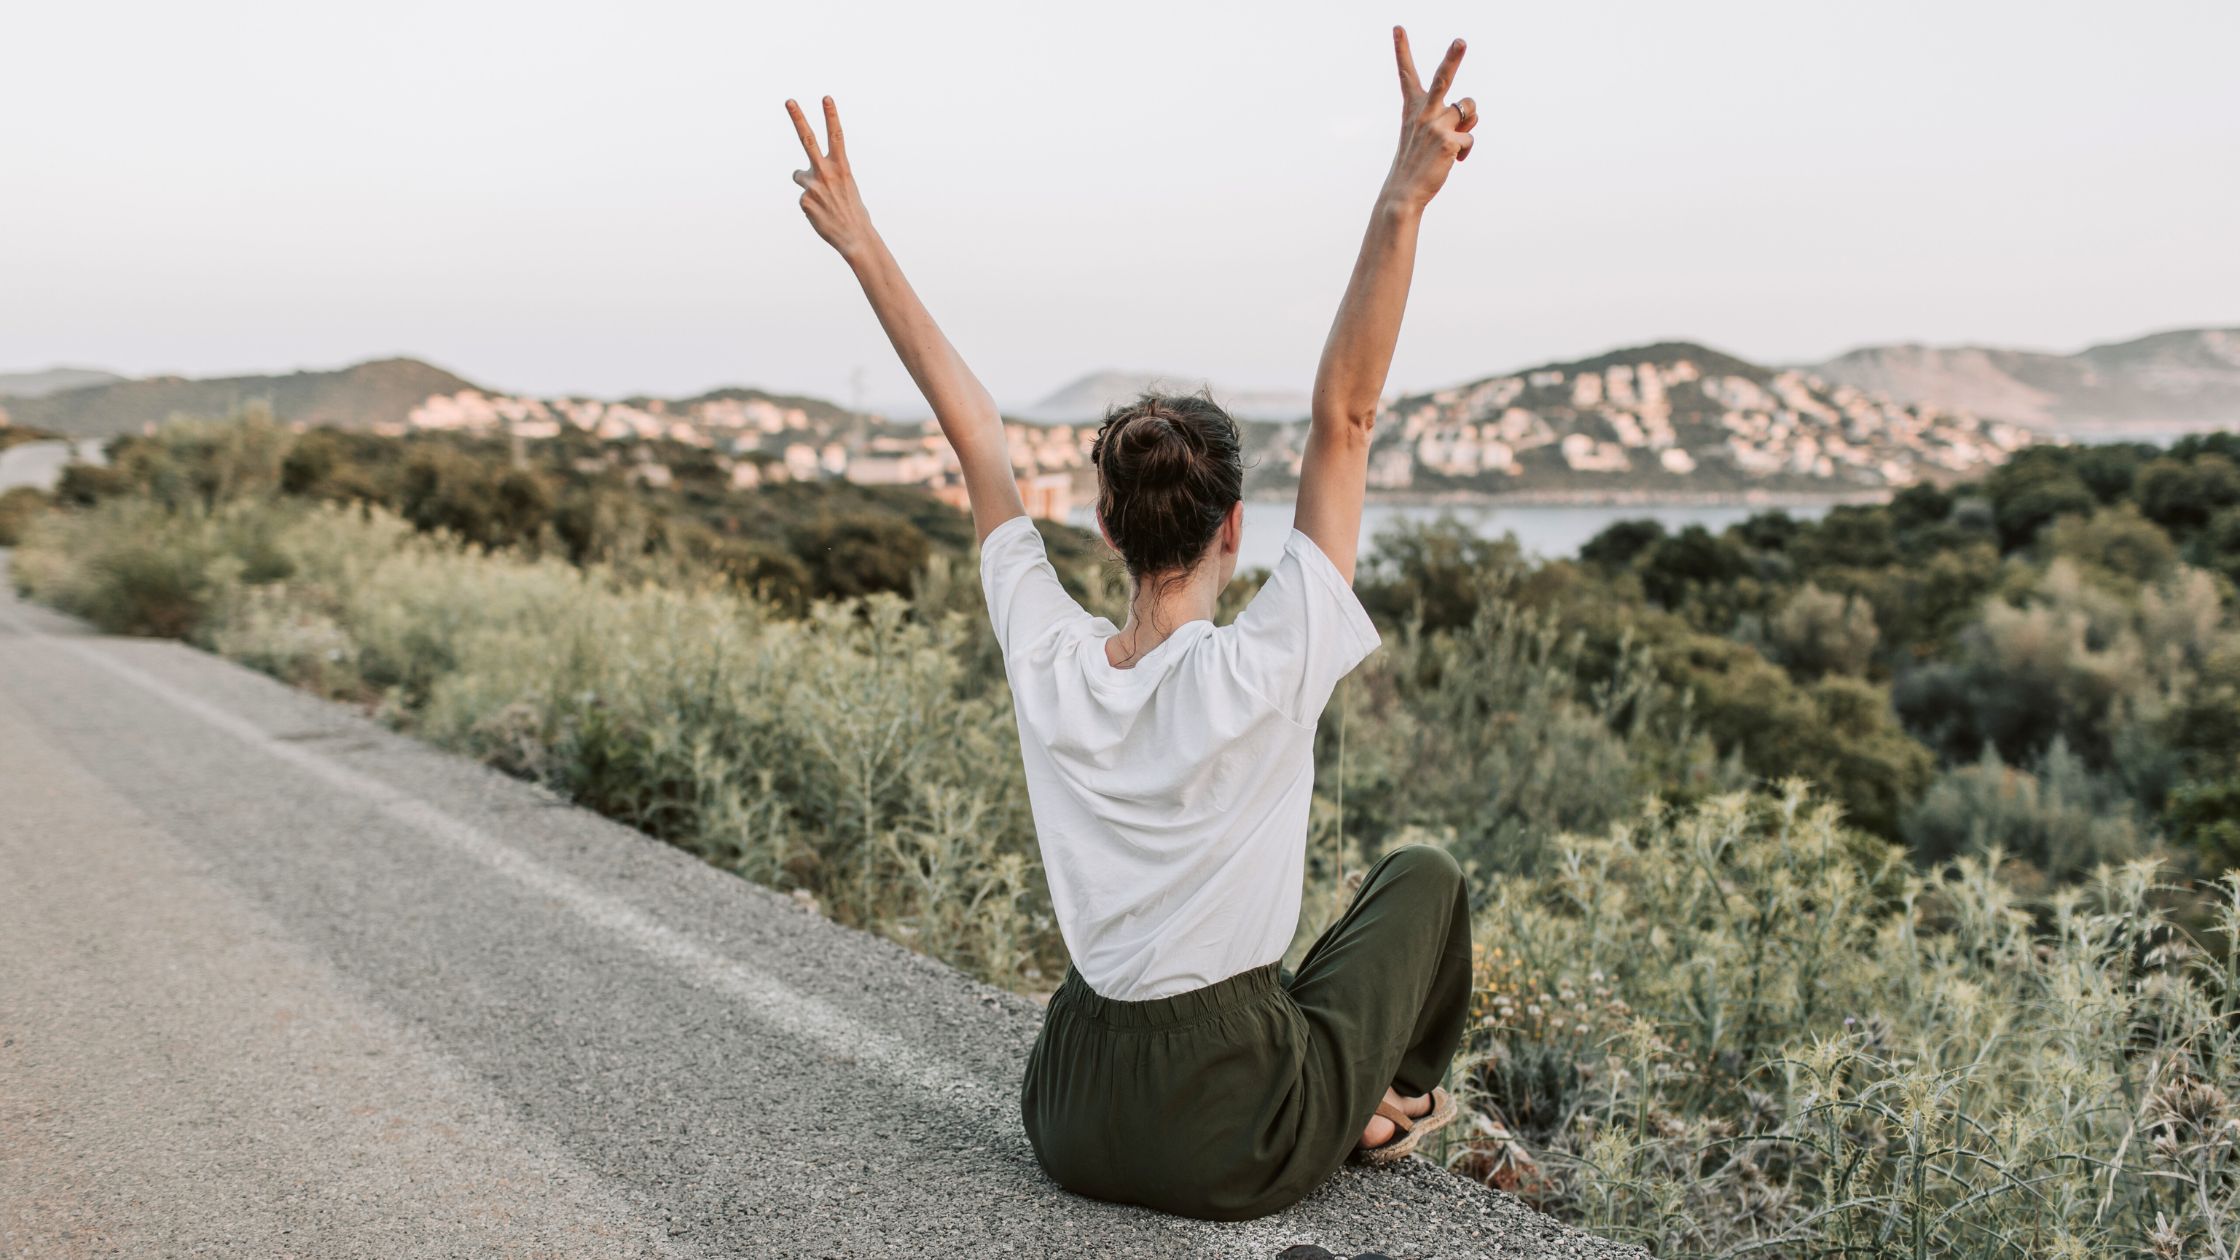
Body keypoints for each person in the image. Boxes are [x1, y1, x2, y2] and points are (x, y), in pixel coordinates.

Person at [784, 25, 1479, 1222]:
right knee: (1418, 878)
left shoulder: (1048, 657)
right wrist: (1401, 196)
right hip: (1224, 1128)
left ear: (1102, 529)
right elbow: (1346, 418)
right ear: (1233, 533)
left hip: (1067, 1108)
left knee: (1284, 970)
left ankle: (1355, 1104)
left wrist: (860, 242)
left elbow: (976, 437)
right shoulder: (1270, 656)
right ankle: (1387, 1108)